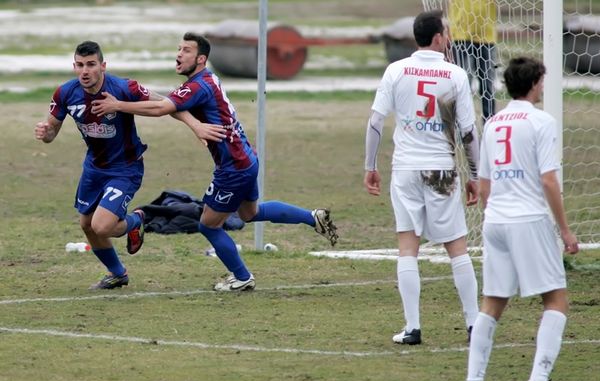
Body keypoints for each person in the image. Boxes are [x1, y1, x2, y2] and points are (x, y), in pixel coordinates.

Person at [91, 32, 338, 292]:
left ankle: (242, 277)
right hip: (245, 158)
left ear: (201, 58)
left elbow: (162, 109)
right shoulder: (205, 80)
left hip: (232, 167)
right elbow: (171, 104)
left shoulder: (197, 86)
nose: (178, 54)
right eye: (178, 48)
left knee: (208, 225)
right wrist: (191, 122)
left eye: (186, 50)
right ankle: (312, 218)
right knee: (249, 213)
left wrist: (118, 105)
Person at [461, 57, 579, 381]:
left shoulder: (494, 122)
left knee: (492, 304)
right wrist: (566, 231)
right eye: (542, 81)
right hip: (528, 220)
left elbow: (484, 186)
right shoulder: (542, 122)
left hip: (495, 221)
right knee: (555, 299)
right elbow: (548, 180)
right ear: (534, 83)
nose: (544, 87)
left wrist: (498, 213)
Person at [363, 10, 480, 345]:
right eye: (447, 31)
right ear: (439, 38)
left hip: (405, 169)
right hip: (441, 168)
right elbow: (469, 132)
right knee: (457, 247)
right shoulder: (456, 74)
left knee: (407, 247)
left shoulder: (396, 70)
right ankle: (474, 324)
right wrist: (475, 175)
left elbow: (374, 123)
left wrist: (370, 167)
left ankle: (413, 327)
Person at [34, 41, 168, 289]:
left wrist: (119, 105)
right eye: (80, 65)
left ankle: (137, 220)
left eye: (91, 65)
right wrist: (45, 132)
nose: (85, 71)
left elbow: (164, 104)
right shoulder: (65, 93)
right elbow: (52, 131)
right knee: (86, 225)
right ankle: (117, 273)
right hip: (94, 168)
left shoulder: (123, 87)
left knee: (102, 226)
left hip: (126, 168)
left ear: (103, 66)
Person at [449, 0, 497, 123]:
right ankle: (462, 124)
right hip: (460, 35)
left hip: (486, 35)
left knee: (487, 84)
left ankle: (489, 124)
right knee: (463, 83)